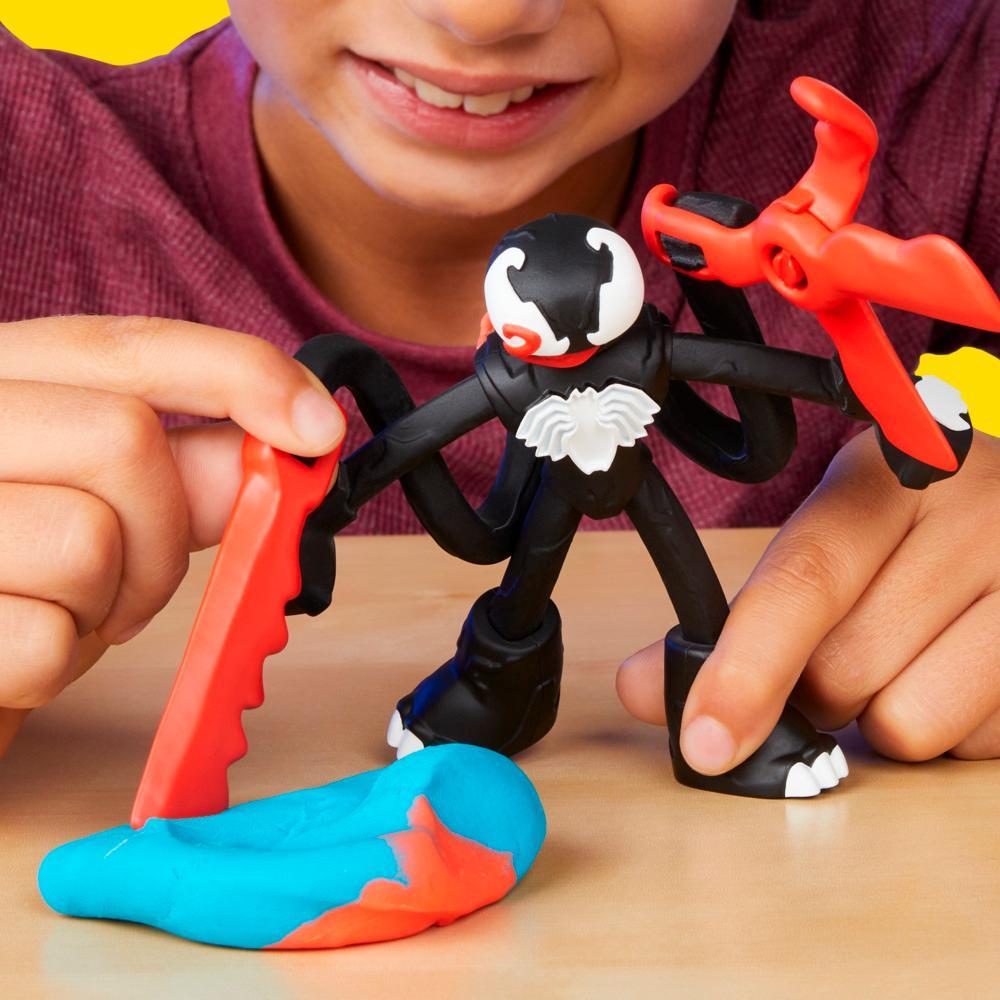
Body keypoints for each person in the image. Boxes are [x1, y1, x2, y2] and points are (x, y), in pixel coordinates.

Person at [0, 0, 997, 776]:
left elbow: (773, 388)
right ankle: (494, 684)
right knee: (518, 582)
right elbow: (418, 450)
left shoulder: (950, 80)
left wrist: (913, 422)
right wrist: (338, 499)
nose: (481, 16)